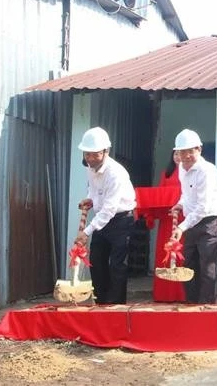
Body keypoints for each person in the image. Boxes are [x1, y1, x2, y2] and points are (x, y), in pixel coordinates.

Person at [76, 127, 136, 305]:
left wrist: (86, 232)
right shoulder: (90, 167)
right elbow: (94, 189)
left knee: (117, 264)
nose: (90, 158)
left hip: (121, 220)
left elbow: (110, 209)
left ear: (105, 152)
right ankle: (101, 302)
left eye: (95, 154)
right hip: (101, 219)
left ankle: (116, 306)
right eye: (87, 154)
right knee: (96, 260)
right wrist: (90, 199)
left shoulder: (115, 173)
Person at [170, 129, 217, 304]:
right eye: (181, 152)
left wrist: (181, 227)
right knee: (188, 264)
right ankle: (191, 304)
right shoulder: (181, 168)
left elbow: (203, 207)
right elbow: (187, 193)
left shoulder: (207, 170)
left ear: (199, 149)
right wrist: (181, 203)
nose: (185, 156)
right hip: (190, 220)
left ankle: (207, 307)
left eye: (190, 151)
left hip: (209, 220)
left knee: (207, 266)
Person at [152, 150, 186, 302]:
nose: (178, 157)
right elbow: (160, 195)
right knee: (164, 252)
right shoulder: (166, 173)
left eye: (181, 154)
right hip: (167, 218)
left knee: (182, 253)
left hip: (183, 220)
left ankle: (182, 293)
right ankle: (164, 293)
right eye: (175, 154)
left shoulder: (190, 173)